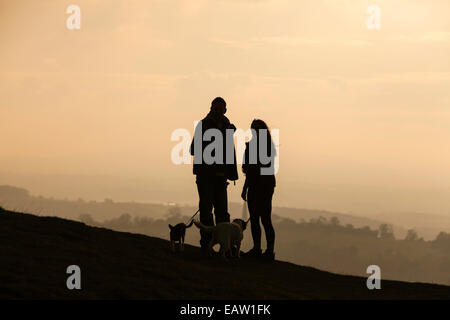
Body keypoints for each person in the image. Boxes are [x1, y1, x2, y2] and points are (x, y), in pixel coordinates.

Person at [190, 97, 238, 254]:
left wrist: (230, 172)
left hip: (219, 176)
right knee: (207, 211)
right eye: (215, 109)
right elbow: (193, 149)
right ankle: (207, 245)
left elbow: (230, 152)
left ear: (224, 110)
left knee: (221, 212)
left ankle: (225, 248)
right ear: (211, 109)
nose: (217, 112)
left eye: (220, 109)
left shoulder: (226, 127)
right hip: (207, 176)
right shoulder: (204, 125)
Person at [241, 119, 277, 260]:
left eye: (255, 129)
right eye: (252, 129)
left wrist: (247, 186)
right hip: (256, 185)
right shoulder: (255, 146)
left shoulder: (266, 147)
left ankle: (268, 251)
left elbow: (254, 168)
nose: (253, 131)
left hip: (264, 186)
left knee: (264, 219)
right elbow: (248, 169)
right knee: (256, 219)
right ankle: (258, 249)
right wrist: (246, 188)